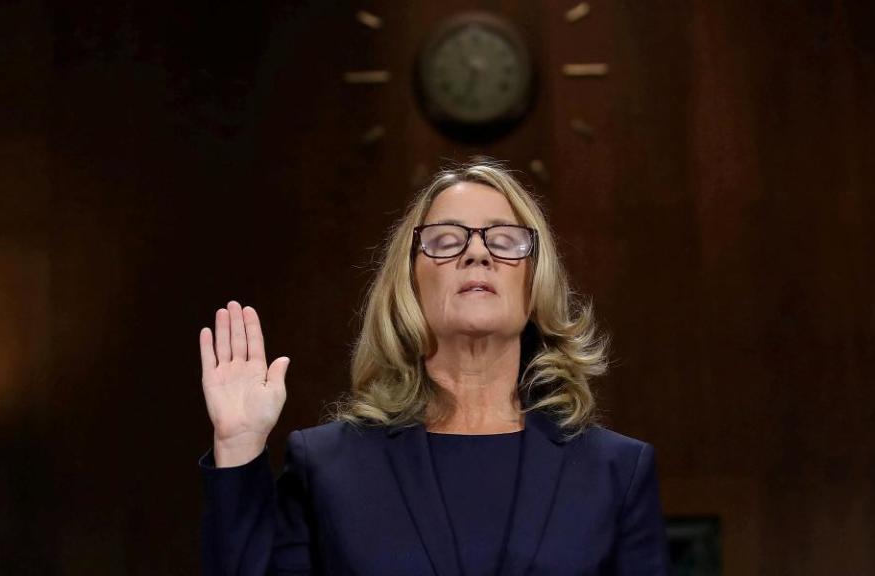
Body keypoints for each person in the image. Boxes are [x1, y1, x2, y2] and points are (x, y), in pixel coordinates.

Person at [198, 158, 670, 575]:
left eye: (505, 241)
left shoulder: (615, 471)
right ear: (410, 283)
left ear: (535, 284)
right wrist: (238, 446)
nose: (478, 252)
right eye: (446, 240)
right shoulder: (327, 466)